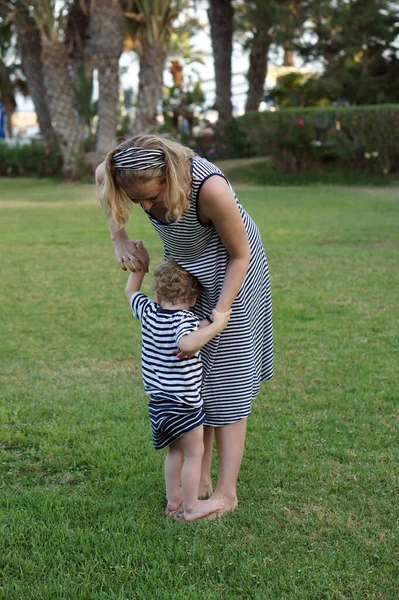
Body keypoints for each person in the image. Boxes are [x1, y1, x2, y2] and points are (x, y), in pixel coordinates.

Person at [96, 134, 273, 518]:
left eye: (152, 198)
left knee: (227, 382)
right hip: (189, 276)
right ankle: (201, 476)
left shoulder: (210, 189)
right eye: (135, 200)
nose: (144, 206)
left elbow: (240, 255)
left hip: (233, 278)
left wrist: (222, 314)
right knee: (196, 377)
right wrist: (118, 237)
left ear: (169, 176)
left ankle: (226, 493)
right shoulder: (122, 171)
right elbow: (100, 176)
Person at [125, 257, 231, 521]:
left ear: (158, 295)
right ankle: (192, 507)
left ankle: (174, 502)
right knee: (195, 455)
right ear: (194, 301)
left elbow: (130, 292)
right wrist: (217, 324)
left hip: (159, 404)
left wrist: (140, 267)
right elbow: (186, 342)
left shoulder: (148, 311)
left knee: (174, 451)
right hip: (183, 404)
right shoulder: (185, 320)